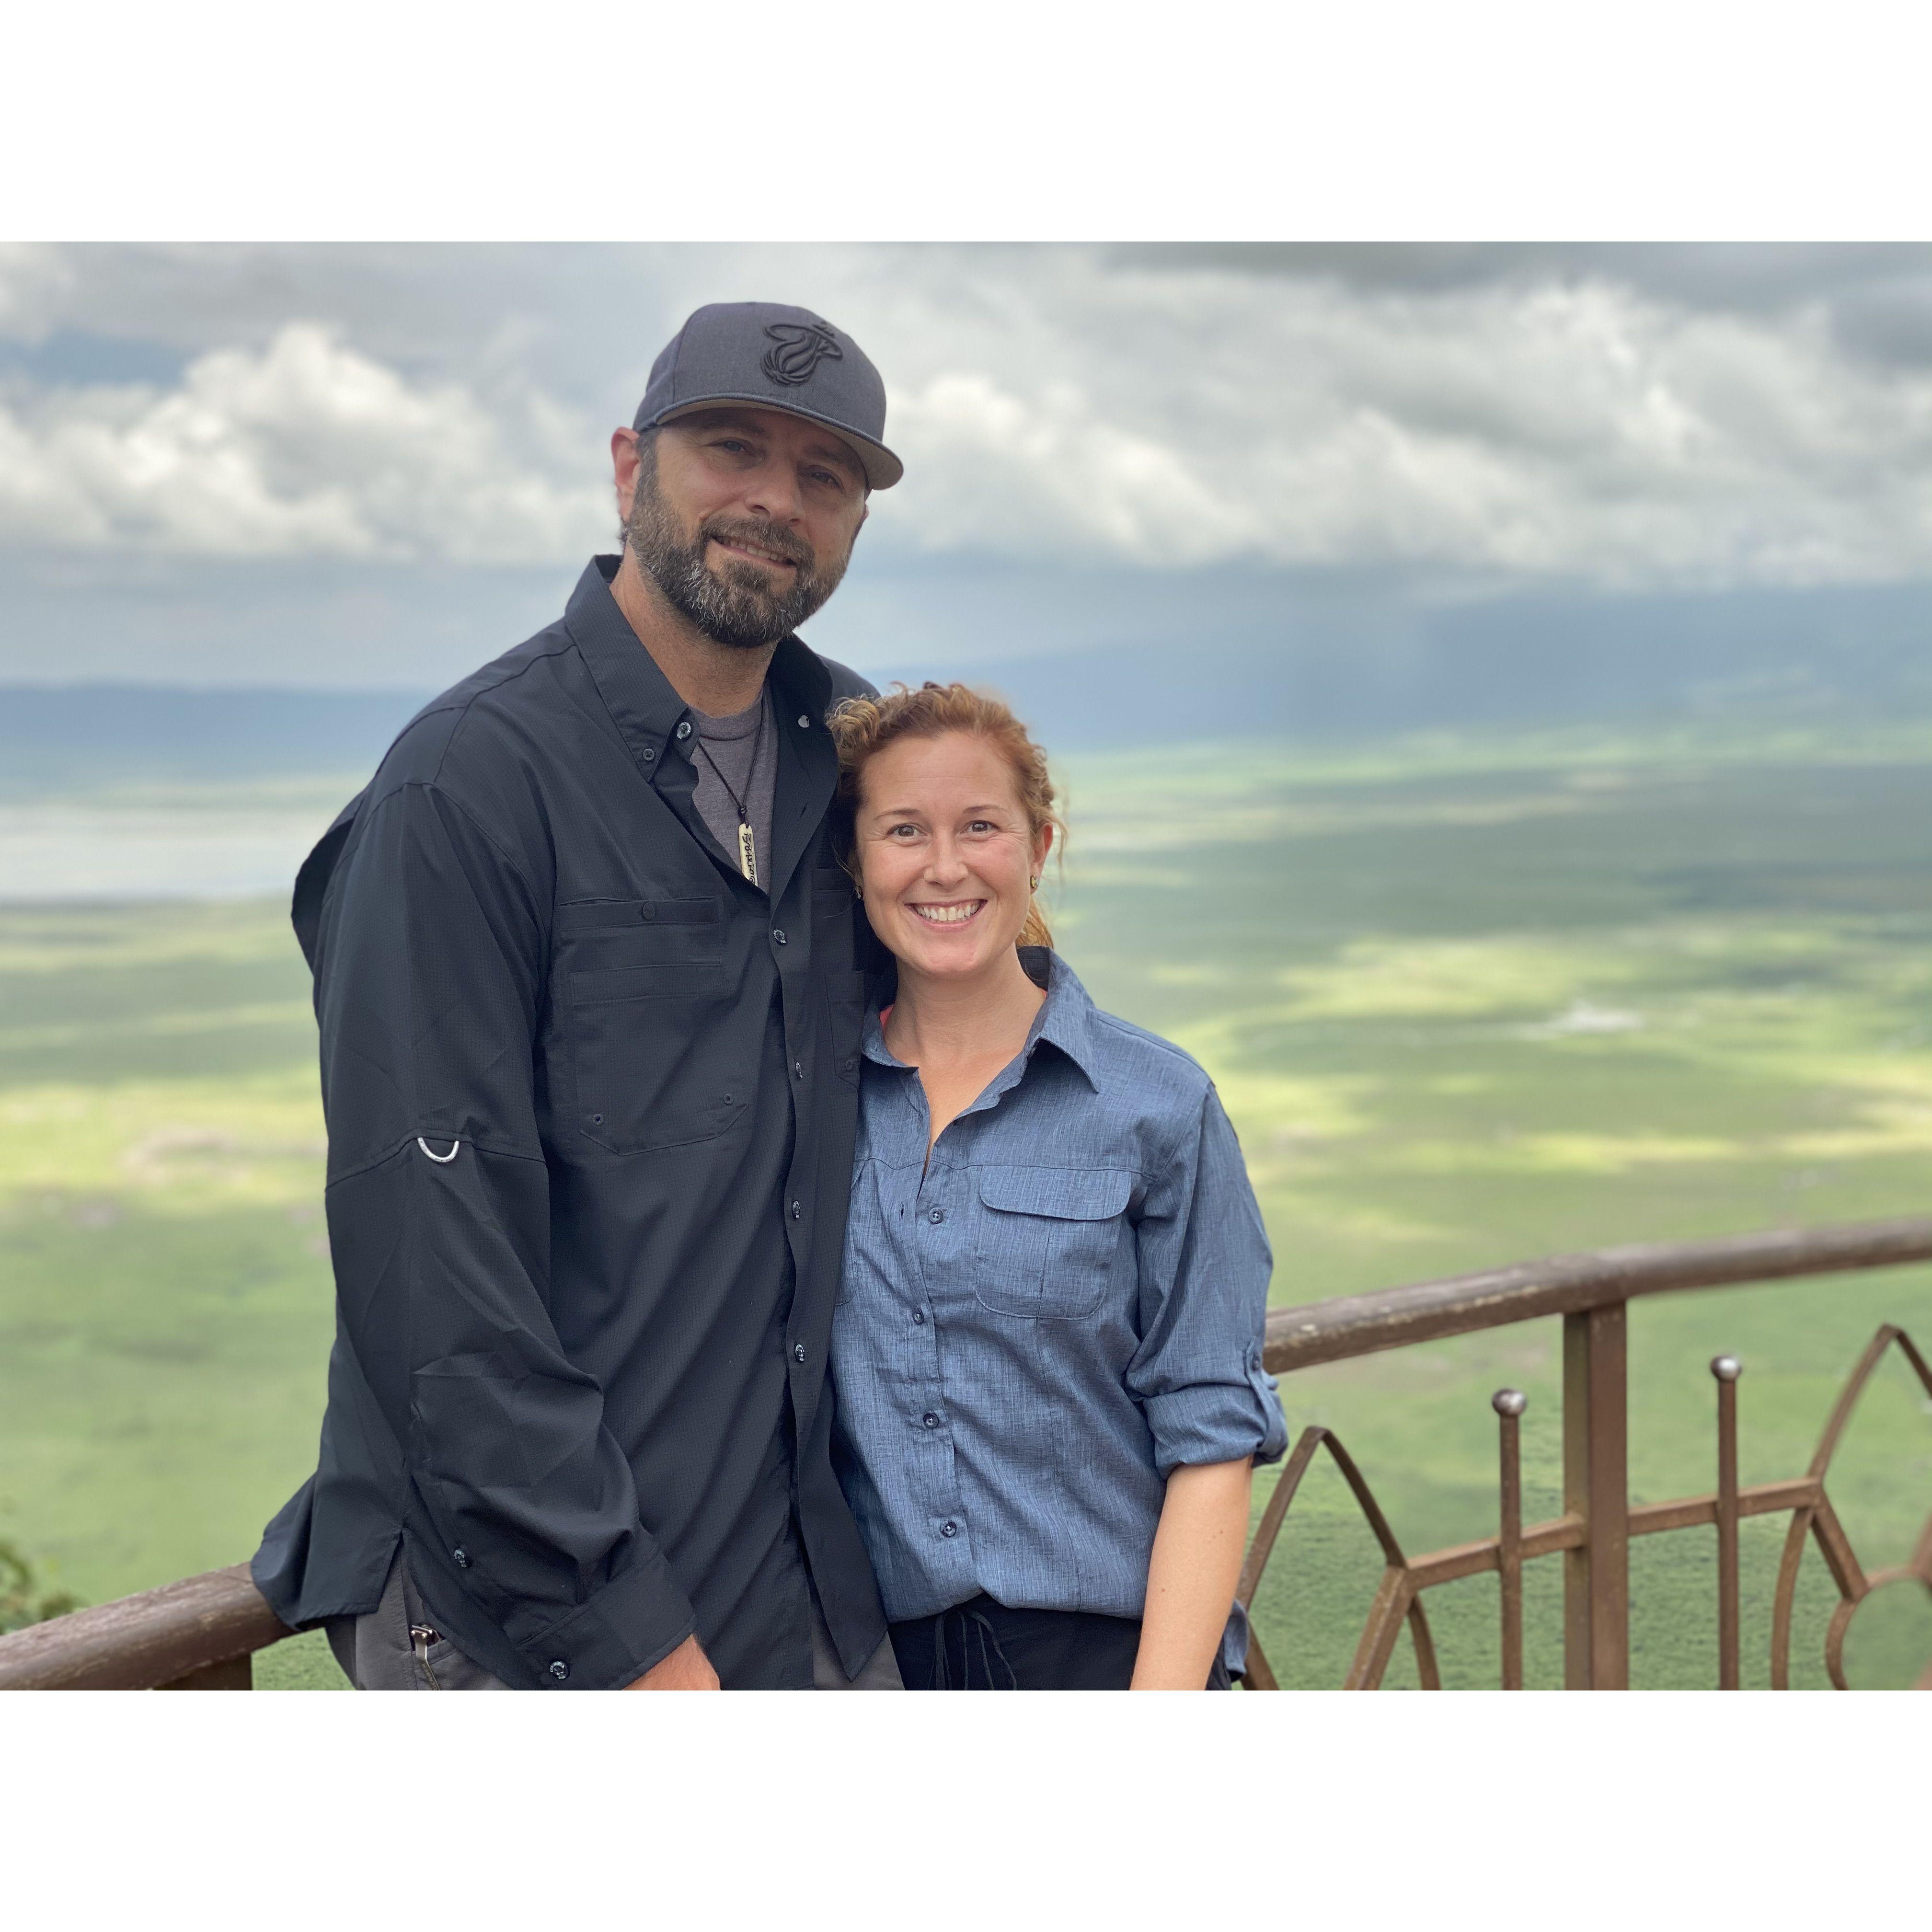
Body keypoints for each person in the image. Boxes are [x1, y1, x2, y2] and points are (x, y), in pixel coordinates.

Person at [250, 302, 908, 1690]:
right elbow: (437, 1287)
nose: (774, 499)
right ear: (630, 468)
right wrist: (636, 1648)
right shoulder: (466, 789)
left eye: (825, 475)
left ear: (855, 522)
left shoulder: (855, 758)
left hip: (795, 1588)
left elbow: (1000, 1042)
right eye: (732, 446)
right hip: (527, 1626)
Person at [826, 682, 1287, 1689]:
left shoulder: (1158, 1104)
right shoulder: (810, 1109)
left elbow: (1212, 1436)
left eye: (979, 827)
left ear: (1037, 848)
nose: (944, 866)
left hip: (1117, 1660)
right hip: (882, 1672)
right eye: (904, 830)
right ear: (855, 860)